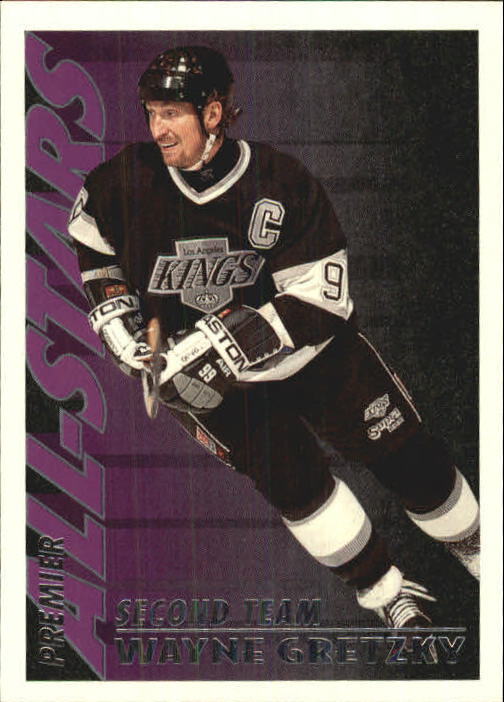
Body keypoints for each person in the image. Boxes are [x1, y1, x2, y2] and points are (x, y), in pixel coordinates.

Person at [68, 45, 480, 629]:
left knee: (410, 460)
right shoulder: (121, 182)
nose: (158, 129)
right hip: (214, 389)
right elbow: (93, 243)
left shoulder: (279, 179)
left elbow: (322, 298)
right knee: (297, 489)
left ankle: (479, 550)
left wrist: (222, 342)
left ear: (213, 113)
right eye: (152, 113)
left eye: (172, 113)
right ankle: (384, 591)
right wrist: (118, 322)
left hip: (316, 357)